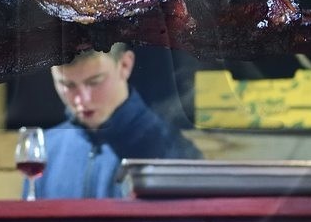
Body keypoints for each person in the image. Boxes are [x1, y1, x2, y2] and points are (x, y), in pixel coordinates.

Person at [34, 44, 203, 198]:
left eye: (95, 82)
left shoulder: (175, 153)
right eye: (67, 85)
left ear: (125, 65)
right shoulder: (45, 151)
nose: (82, 100)